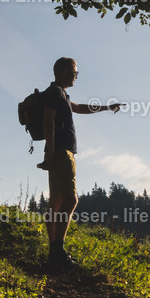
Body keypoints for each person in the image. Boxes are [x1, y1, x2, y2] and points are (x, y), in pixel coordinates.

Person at [40, 57, 123, 268]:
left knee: (57, 202)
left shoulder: (62, 95)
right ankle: (57, 251)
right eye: (74, 72)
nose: (76, 76)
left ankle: (53, 254)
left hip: (57, 152)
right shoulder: (55, 93)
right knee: (70, 201)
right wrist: (51, 152)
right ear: (64, 72)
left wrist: (105, 107)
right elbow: (48, 120)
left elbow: (79, 107)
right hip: (61, 153)